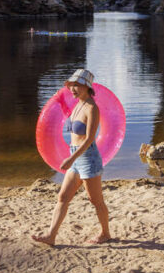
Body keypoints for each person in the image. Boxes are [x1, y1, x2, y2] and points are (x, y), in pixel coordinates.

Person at [31, 69, 112, 246]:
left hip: (88, 158)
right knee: (63, 197)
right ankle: (51, 236)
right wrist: (58, 102)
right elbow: (70, 118)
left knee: (95, 200)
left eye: (76, 85)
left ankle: (105, 233)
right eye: (71, 85)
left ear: (86, 86)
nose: (72, 89)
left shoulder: (92, 108)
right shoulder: (78, 105)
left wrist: (70, 158)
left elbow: (90, 138)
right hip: (76, 157)